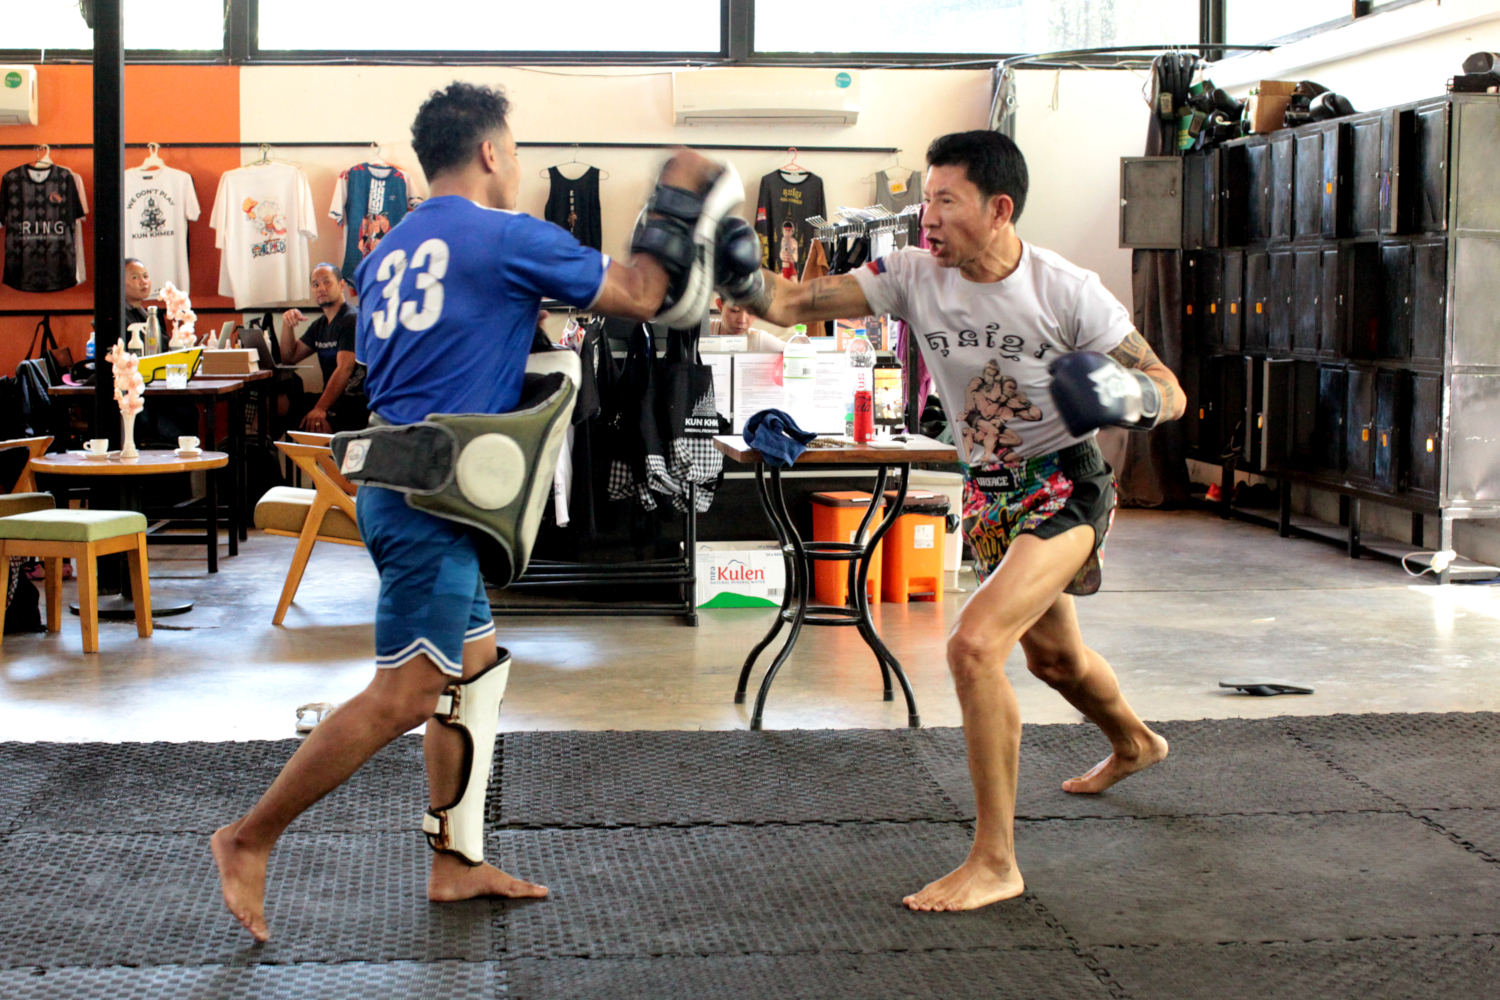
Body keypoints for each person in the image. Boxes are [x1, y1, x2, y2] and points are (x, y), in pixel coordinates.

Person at [212, 81, 725, 942]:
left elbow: (404, 363)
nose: (518, 165)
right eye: (515, 150)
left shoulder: (387, 252)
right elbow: (641, 294)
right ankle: (248, 836)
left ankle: (455, 863)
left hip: (396, 481)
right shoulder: (507, 237)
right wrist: (675, 198)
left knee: (472, 674)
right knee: (409, 692)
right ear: (490, 152)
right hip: (431, 499)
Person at [723, 130, 1185, 912]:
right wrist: (731, 269)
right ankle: (1136, 742)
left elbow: (1167, 387)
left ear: (999, 209)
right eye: (925, 200)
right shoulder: (910, 273)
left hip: (1064, 487)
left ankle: (995, 861)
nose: (927, 218)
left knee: (974, 645)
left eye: (945, 201)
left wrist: (1128, 399)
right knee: (1056, 663)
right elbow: (797, 303)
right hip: (990, 493)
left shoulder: (1065, 290)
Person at [277, 264, 368, 433]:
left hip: (354, 403)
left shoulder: (351, 319)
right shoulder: (319, 325)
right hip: (331, 399)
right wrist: (287, 324)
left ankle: (322, 459)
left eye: (327, 282)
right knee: (278, 404)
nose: (321, 288)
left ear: (341, 285)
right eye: (315, 284)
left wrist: (319, 409)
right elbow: (289, 358)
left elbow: (345, 368)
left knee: (318, 424)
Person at [710, 293, 784, 352]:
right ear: (720, 305)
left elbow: (793, 353)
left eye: (751, 312)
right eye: (735, 310)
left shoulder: (758, 341)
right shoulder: (703, 330)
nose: (742, 321)